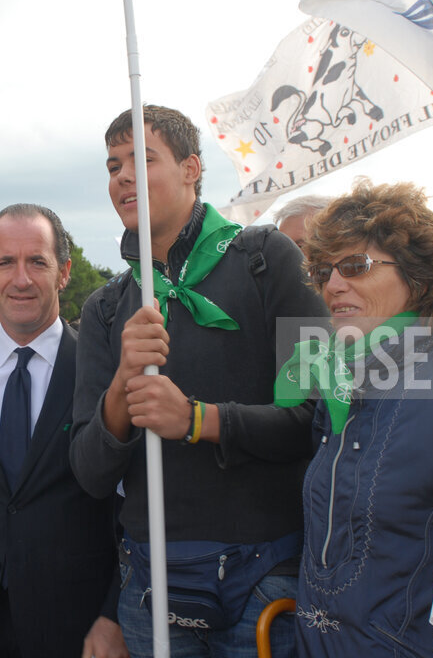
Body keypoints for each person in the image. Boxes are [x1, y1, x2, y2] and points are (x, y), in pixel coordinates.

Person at [70, 105, 329, 657]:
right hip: (151, 582)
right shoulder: (104, 308)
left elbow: (313, 418)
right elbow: (90, 472)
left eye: (141, 159)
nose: (121, 177)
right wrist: (121, 385)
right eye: (113, 165)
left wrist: (195, 420)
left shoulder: (270, 259)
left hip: (266, 573)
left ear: (191, 168)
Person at [0, 204, 127, 658]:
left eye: (37, 261)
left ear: (63, 272)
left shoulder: (101, 376)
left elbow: (130, 509)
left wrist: (113, 613)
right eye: (6, 262)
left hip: (76, 622)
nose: (21, 279)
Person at [277, 180, 433, 656]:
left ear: (415, 276)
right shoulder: (341, 381)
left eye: (355, 266)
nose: (333, 285)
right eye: (323, 271)